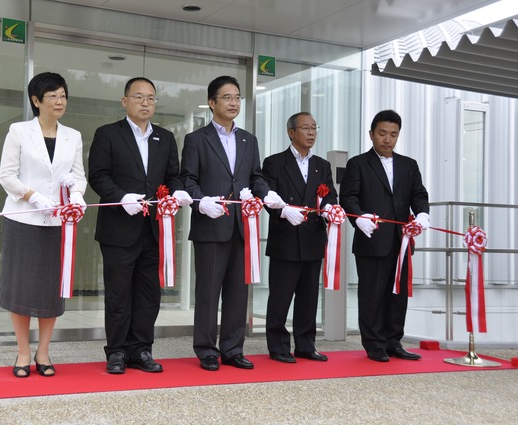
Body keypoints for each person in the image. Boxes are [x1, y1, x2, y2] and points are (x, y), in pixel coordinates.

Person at [181, 75, 285, 371]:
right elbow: (187, 178)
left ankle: (232, 348)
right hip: (210, 226)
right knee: (208, 292)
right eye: (227, 97)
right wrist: (201, 201)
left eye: (237, 97)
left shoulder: (248, 139)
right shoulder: (196, 139)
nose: (234, 102)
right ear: (211, 103)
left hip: (242, 226)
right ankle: (206, 349)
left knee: (239, 292)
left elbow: (256, 177)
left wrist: (267, 195)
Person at [88, 77, 192, 375]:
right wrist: (121, 197)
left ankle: (142, 350)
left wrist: (178, 190)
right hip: (119, 228)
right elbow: (98, 175)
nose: (145, 103)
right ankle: (117, 352)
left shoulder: (165, 137)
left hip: (154, 229)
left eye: (151, 98)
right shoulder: (108, 134)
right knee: (119, 294)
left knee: (148, 295)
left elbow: (172, 176)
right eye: (139, 97)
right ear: (125, 101)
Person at [0, 72, 87, 377]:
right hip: (23, 218)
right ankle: (23, 352)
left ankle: (44, 352)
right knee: (21, 286)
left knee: (52, 288)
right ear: (36, 101)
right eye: (53, 96)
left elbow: (78, 176)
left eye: (63, 95)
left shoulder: (72, 136)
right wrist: (32, 196)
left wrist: (76, 195)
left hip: (58, 223)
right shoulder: (19, 132)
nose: (60, 101)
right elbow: (7, 175)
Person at [339, 109, 430, 362]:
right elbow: (347, 197)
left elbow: (419, 195)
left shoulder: (409, 165)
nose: (387, 139)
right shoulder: (358, 163)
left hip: (401, 242)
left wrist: (423, 214)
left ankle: (394, 341)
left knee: (398, 294)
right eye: (382, 133)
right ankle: (374, 344)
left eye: (393, 134)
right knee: (372, 294)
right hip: (372, 239)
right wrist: (359, 218)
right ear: (371, 134)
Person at [262, 112, 337, 364]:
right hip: (286, 238)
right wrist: (284, 211)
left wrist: (329, 207)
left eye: (315, 128)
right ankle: (278, 346)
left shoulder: (322, 165)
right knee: (281, 297)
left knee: (308, 298)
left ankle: (306, 345)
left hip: (313, 239)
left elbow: (330, 196)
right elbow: (267, 198)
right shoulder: (274, 162)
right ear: (291, 132)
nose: (312, 132)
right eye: (306, 128)